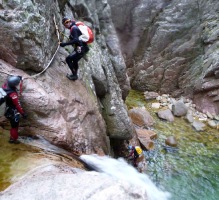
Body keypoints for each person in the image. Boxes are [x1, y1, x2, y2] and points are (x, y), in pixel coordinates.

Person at [2, 76, 27, 144]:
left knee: (13, 125)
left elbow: (11, 81)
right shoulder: (13, 94)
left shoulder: (5, 85)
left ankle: (12, 138)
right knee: (14, 127)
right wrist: (23, 114)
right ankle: (13, 139)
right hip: (12, 112)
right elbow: (17, 105)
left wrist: (19, 78)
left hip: (7, 109)